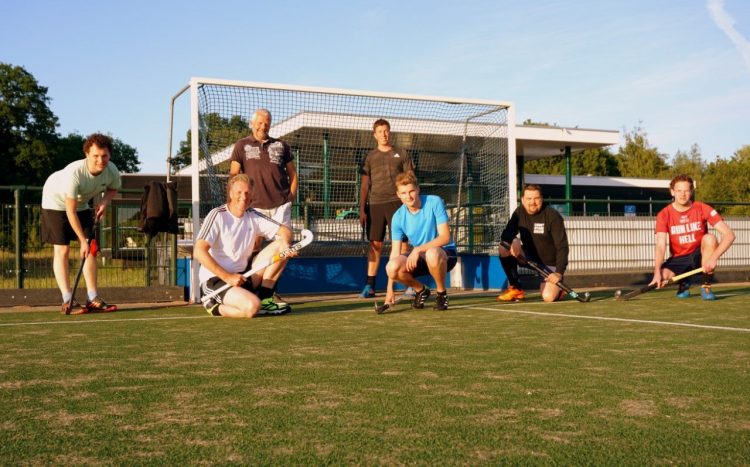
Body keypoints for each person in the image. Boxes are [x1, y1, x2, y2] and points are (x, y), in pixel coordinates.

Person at [194, 174, 296, 318]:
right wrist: (227, 276)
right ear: (230, 193)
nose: (243, 196)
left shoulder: (252, 215)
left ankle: (265, 298)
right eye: (239, 192)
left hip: (244, 276)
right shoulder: (217, 215)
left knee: (281, 245)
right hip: (217, 280)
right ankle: (215, 308)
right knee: (251, 307)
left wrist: (286, 245)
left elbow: (284, 231)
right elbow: (199, 251)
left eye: (247, 193)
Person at [41, 133, 121, 314]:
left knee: (91, 248)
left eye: (105, 156)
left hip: (82, 204)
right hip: (55, 202)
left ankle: (92, 298)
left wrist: (104, 202)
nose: (101, 160)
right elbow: (70, 210)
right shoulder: (74, 173)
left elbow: (113, 188)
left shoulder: (112, 170)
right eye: (96, 156)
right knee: (63, 249)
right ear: (87, 155)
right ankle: (68, 299)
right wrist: (81, 240)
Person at [229, 108, 297, 310]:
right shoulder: (241, 145)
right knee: (253, 249)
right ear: (252, 123)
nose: (263, 126)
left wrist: (290, 196)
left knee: (285, 248)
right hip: (255, 207)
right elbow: (234, 174)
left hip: (280, 206)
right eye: (259, 122)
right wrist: (238, 201)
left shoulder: (281, 145)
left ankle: (268, 294)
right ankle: (250, 290)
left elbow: (293, 174)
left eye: (266, 123)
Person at [649, 174, 735, 299]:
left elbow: (729, 235)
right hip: (679, 258)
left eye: (686, 191)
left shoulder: (702, 208)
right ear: (672, 192)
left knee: (709, 238)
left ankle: (706, 285)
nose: (682, 194)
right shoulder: (664, 214)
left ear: (692, 192)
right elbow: (661, 246)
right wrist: (657, 273)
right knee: (663, 276)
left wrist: (714, 258)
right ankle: (684, 281)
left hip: (699, 254)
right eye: (679, 191)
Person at [358, 118, 414, 298]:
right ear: (374, 135)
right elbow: (365, 185)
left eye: (386, 130)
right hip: (375, 205)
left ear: (390, 132)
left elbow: (410, 180)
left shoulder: (402, 153)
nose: (384, 134)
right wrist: (361, 209)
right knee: (375, 244)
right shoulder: (370, 157)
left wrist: (410, 203)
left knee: (403, 243)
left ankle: (408, 285)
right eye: (380, 131)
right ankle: (370, 286)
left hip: (398, 204)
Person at [384, 172, 457, 311]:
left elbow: (445, 237)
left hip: (445, 254)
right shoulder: (397, 217)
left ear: (418, 189)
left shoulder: (434, 202)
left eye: (411, 191)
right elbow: (394, 253)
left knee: (432, 253)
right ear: (398, 194)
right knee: (391, 268)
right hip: (421, 257)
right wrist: (389, 289)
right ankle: (420, 290)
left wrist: (417, 249)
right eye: (404, 193)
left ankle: (441, 294)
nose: (408, 196)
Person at [497, 184, 569, 303]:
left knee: (548, 297)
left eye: (536, 198)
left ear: (542, 199)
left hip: (550, 264)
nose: (532, 202)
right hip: (528, 258)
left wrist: (559, 273)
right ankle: (516, 289)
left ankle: (560, 290)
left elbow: (562, 246)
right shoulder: (519, 212)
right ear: (523, 200)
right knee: (503, 247)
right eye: (529, 198)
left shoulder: (553, 216)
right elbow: (506, 233)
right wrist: (515, 240)